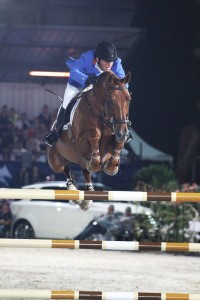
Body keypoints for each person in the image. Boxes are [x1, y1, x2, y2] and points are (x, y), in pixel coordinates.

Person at [43, 41, 133, 147]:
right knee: (67, 102)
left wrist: (122, 93)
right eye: (106, 60)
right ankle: (56, 132)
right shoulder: (87, 58)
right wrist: (87, 79)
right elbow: (74, 72)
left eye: (111, 61)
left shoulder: (116, 63)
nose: (109, 64)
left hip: (100, 89)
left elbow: (123, 83)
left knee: (119, 102)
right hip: (78, 84)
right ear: (97, 59)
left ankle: (124, 128)